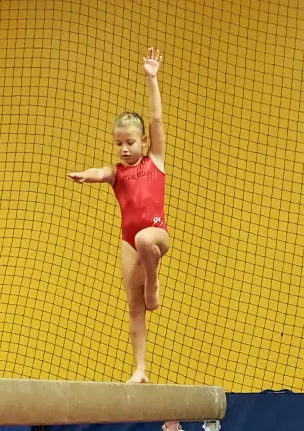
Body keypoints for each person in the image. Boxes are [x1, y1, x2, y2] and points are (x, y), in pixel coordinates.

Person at [67, 47, 169, 384]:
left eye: (129, 142)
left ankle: (154, 282)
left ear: (142, 141)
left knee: (144, 239)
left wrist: (151, 79)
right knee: (134, 306)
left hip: (156, 234)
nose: (124, 149)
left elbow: (155, 118)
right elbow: (101, 171)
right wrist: (85, 174)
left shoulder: (155, 160)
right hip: (130, 243)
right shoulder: (117, 172)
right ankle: (140, 368)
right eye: (118, 144)